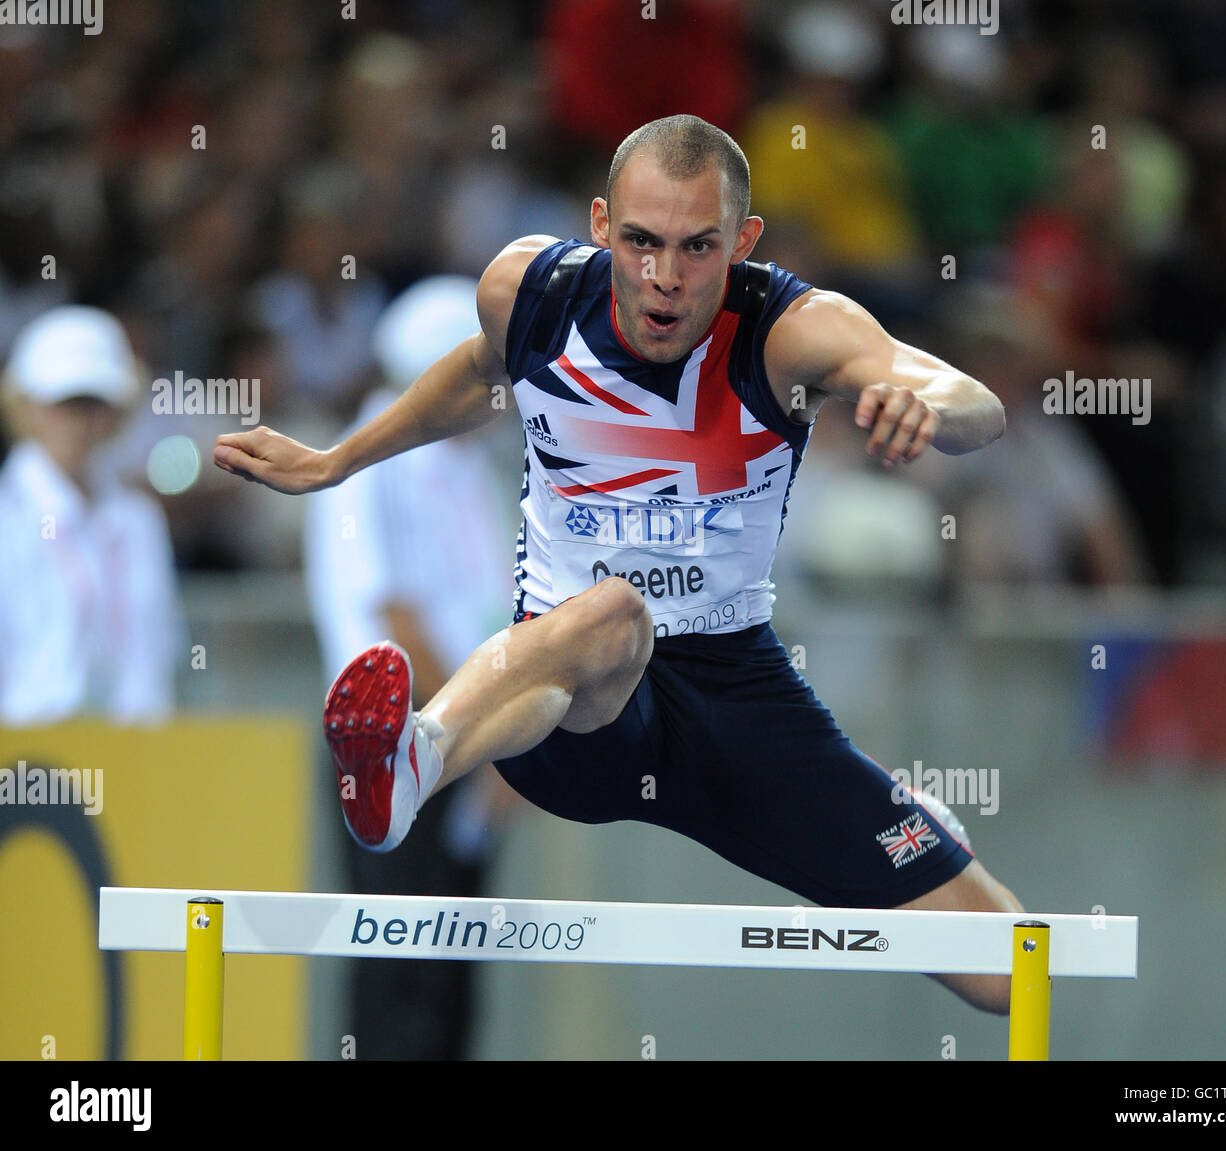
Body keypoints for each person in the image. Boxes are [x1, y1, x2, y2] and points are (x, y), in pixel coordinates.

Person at [215, 114, 1022, 1013]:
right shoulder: (530, 292)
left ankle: (899, 807)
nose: (665, 278)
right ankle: (415, 762)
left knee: (1005, 968)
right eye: (640, 242)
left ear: (742, 242)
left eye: (695, 247)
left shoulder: (790, 330)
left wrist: (923, 409)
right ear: (601, 224)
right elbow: (482, 374)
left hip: (738, 694)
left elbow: (975, 401)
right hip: (577, 704)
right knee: (614, 612)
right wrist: (338, 461)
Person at [303, 275, 522, 1058]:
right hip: (389, 740)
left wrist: (500, 746)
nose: (496, 396)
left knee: (455, 969)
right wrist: (488, 727)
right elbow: (389, 618)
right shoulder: (370, 460)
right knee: (398, 964)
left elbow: (506, 617)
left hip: (462, 739)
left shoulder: (470, 469)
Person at [0, 305, 183, 724]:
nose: (83, 420)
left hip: (139, 760)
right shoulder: (7, 518)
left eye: (97, 403)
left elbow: (159, 655)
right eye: (67, 402)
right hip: (26, 766)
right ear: (26, 405)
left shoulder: (138, 520)